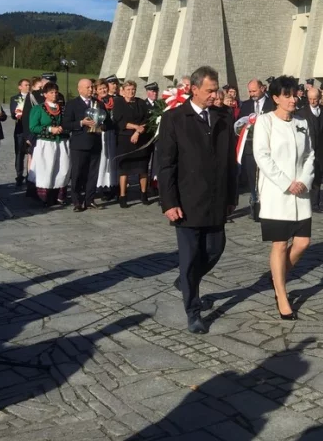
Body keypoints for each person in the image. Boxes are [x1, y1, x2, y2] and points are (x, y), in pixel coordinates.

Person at [158, 65, 237, 335]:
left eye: (217, 90)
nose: (215, 95)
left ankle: (185, 281)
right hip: (187, 202)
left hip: (216, 199)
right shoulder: (175, 119)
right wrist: (169, 203)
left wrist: (231, 196)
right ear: (193, 89)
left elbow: (229, 161)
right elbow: (166, 164)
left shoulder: (223, 116)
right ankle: (193, 311)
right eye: (210, 91)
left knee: (216, 248)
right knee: (190, 257)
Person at [254, 76, 315, 319]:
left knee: (302, 243)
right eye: (287, 95)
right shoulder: (265, 121)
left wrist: (304, 180)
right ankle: (281, 293)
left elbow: (310, 153)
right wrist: (286, 182)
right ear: (276, 98)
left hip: (301, 192)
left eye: (294, 95)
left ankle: (277, 276)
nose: (292, 99)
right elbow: (262, 156)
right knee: (279, 245)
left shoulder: (302, 122)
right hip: (277, 194)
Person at [63, 78, 104, 212]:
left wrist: (103, 124)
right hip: (79, 144)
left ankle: (90, 199)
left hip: (95, 143)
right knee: (78, 173)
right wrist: (81, 123)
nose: (91, 90)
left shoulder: (98, 103)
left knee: (93, 173)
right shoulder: (72, 104)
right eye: (88, 87)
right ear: (79, 89)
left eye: (92, 87)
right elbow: (66, 124)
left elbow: (106, 120)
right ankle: (76, 201)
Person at [28, 82, 70, 206]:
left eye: (56, 92)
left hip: (61, 143)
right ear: (45, 94)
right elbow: (33, 127)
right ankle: (43, 197)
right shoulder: (38, 109)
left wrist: (63, 129)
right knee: (46, 169)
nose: (54, 95)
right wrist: (50, 129)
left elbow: (68, 123)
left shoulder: (63, 109)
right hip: (46, 144)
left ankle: (59, 196)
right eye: (51, 92)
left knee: (62, 168)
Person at [113, 80, 152, 207]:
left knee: (143, 168)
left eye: (133, 89)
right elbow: (119, 121)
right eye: (128, 89)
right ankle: (123, 196)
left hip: (141, 138)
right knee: (124, 169)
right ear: (123, 91)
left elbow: (147, 119)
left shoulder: (141, 102)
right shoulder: (119, 103)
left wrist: (138, 131)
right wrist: (135, 127)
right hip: (125, 139)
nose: (131, 92)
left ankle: (144, 194)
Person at [296, 87, 323, 214]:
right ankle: (303, 202)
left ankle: (315, 204)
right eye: (310, 99)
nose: (313, 101)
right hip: (306, 149)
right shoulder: (301, 113)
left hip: (320, 149)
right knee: (305, 175)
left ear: (319, 97)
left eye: (315, 99)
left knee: (318, 175)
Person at [238, 79, 269, 220]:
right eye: (250, 91)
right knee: (252, 177)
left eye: (254, 91)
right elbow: (239, 125)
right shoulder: (245, 105)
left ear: (262, 88)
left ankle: (266, 204)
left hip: (268, 147)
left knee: (266, 176)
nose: (252, 94)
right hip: (250, 147)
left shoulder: (272, 104)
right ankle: (255, 204)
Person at [9, 78, 30, 186]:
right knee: (19, 153)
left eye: (29, 85)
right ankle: (19, 175)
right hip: (20, 129)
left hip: (31, 129)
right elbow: (13, 114)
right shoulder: (15, 98)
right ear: (20, 87)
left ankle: (30, 175)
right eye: (26, 85)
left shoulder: (32, 98)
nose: (28, 87)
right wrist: (16, 113)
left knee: (31, 153)